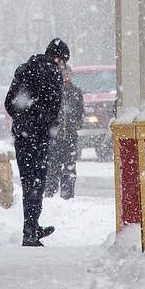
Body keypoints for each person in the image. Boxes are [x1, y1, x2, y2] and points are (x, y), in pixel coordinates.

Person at [5, 38, 69, 246]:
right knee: (37, 183)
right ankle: (31, 231)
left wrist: (23, 119)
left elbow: (9, 103)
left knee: (27, 183)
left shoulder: (24, 70)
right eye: (64, 61)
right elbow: (53, 108)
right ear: (58, 58)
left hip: (22, 137)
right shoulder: (52, 74)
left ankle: (31, 227)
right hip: (38, 139)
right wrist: (44, 127)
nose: (63, 66)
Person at [45, 65, 85, 199]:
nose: (66, 77)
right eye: (63, 74)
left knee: (69, 167)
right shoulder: (53, 91)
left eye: (68, 74)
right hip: (55, 137)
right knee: (53, 167)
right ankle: (50, 193)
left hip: (70, 137)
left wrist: (75, 125)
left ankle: (67, 195)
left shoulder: (76, 92)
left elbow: (80, 112)